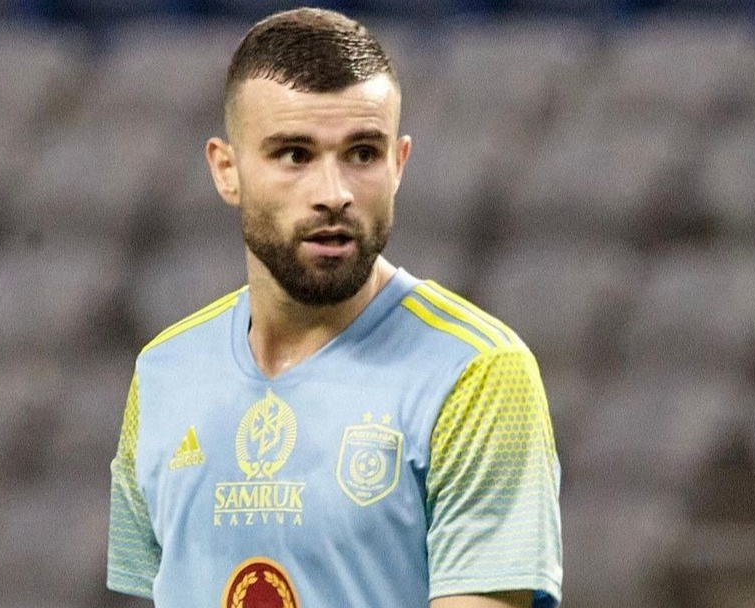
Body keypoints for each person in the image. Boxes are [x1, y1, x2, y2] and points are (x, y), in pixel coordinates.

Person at [107, 7, 562, 607]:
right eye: (295, 155)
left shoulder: (477, 373)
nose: (334, 193)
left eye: (363, 153)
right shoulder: (163, 372)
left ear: (399, 164)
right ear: (227, 170)